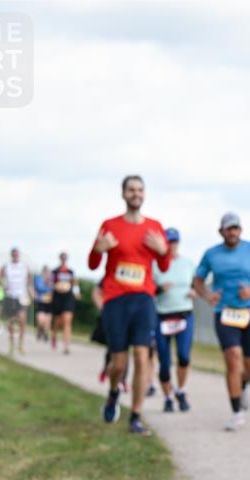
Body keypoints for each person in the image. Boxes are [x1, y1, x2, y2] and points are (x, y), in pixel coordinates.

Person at [88, 174, 170, 435]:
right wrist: (99, 249)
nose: (136, 194)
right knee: (119, 362)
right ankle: (113, 393)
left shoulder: (155, 227)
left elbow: (164, 265)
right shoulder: (110, 225)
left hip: (144, 298)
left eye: (140, 190)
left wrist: (162, 250)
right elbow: (92, 264)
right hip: (115, 299)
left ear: (144, 195)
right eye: (131, 190)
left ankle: (136, 415)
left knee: (142, 357)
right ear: (123, 194)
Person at [192, 212, 250, 432]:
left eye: (236, 228)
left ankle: (242, 384)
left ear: (240, 230)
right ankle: (236, 411)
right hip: (225, 313)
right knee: (233, 358)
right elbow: (198, 279)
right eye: (228, 228)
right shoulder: (212, 254)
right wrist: (206, 295)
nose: (232, 232)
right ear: (221, 231)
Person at [153, 228, 196, 413]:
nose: (171, 245)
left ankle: (181, 390)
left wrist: (195, 292)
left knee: (184, 356)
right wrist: (160, 289)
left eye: (174, 241)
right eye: (168, 241)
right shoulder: (155, 264)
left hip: (184, 315)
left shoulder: (188, 263)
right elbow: (148, 291)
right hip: (162, 316)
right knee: (164, 363)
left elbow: (197, 284)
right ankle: (168, 398)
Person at [1, 247, 32, 355]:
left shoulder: (24, 266)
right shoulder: (6, 266)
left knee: (22, 320)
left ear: (19, 255)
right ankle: (12, 344)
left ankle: (21, 344)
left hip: (22, 296)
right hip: (10, 297)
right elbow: (0, 280)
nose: (15, 256)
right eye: (13, 254)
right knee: (11, 322)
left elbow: (29, 281)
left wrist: (31, 292)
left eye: (17, 254)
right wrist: (2, 287)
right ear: (11, 255)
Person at [51, 252, 78, 354]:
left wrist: (76, 292)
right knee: (57, 322)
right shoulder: (55, 271)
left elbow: (74, 283)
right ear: (60, 259)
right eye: (62, 258)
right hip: (58, 297)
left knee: (67, 322)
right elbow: (50, 283)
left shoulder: (70, 272)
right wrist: (56, 287)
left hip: (68, 298)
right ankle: (54, 336)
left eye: (65, 258)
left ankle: (66, 346)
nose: (63, 259)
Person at [33, 266, 53, 342]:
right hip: (41, 302)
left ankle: (45, 334)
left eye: (47, 272)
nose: (46, 274)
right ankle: (40, 331)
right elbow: (34, 289)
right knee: (40, 320)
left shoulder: (52, 281)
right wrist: (35, 295)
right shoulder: (38, 280)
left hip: (50, 303)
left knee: (47, 322)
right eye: (45, 272)